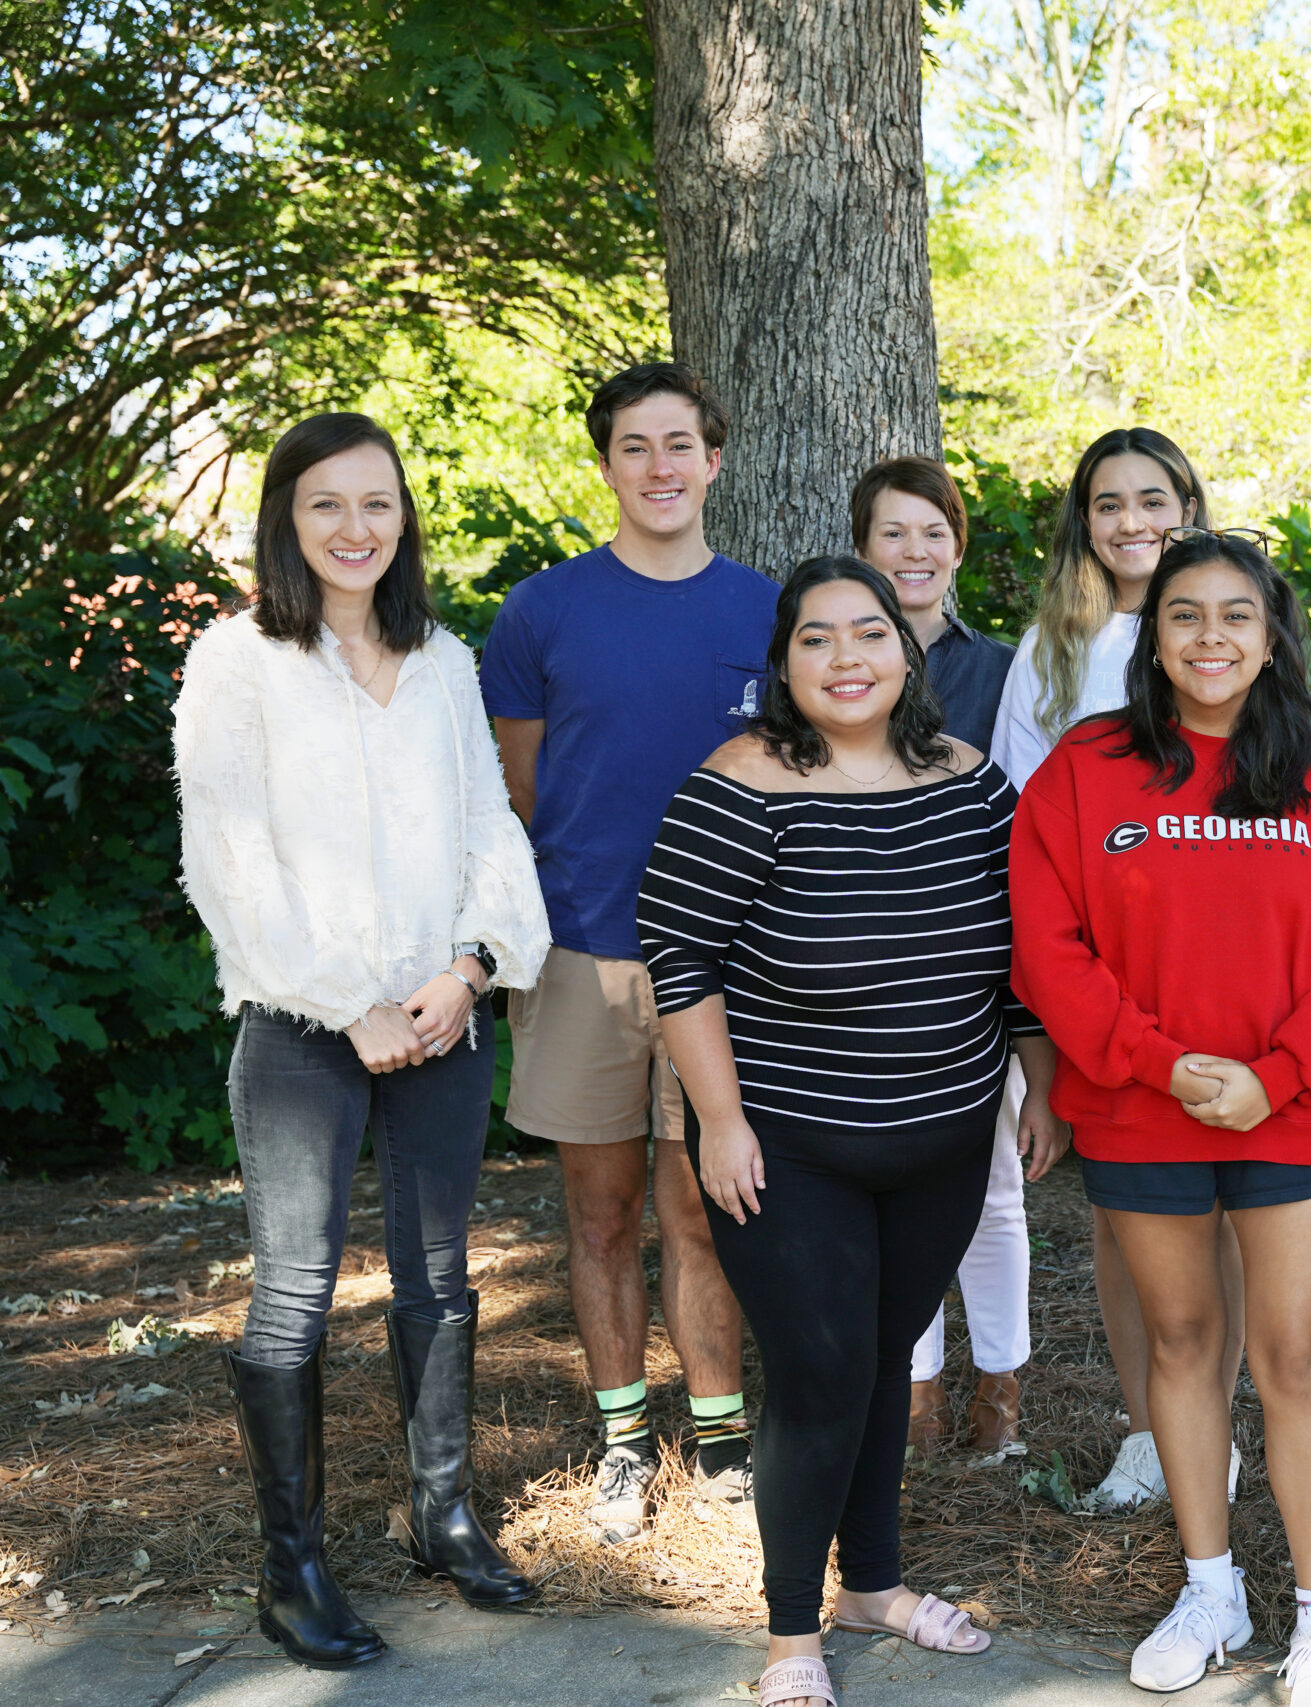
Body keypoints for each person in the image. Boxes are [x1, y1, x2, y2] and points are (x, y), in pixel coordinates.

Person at [639, 557, 1054, 1707]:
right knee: (821, 1373)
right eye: (816, 639)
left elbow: (1016, 955)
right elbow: (680, 960)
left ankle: (872, 1586)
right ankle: (789, 1637)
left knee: (879, 1359)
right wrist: (716, 1122)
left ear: (906, 653)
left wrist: (1041, 1084)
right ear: (784, 664)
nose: (845, 658)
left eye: (867, 634)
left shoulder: (972, 784)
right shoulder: (740, 784)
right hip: (791, 1143)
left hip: (943, 1137)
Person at [174, 412, 550, 1668]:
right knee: (293, 1292)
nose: (355, 528)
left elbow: (491, 826)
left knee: (441, 1278)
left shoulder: (441, 658)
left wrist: (469, 968)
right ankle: (294, 1573)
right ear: (287, 519)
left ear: (404, 517)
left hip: (442, 1021)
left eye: (377, 503)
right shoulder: (239, 661)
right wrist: (355, 1004)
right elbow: (230, 861)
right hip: (301, 1032)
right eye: (326, 504)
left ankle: (442, 1515)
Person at [1009, 532, 1311, 1706]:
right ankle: (1211, 1584)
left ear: (1272, 634)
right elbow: (1050, 947)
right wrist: (1159, 1062)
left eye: (1237, 615)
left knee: (1288, 1353)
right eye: (1186, 615)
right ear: (1152, 635)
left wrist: (1273, 1078)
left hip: (1287, 1111)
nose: (1212, 637)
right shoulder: (1086, 768)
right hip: (1144, 1108)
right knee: (1182, 1347)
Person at [481, 361, 774, 1542]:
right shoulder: (541, 611)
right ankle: (617, 1444)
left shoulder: (766, 608)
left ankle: (721, 1440)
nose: (659, 467)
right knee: (600, 1215)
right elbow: (522, 784)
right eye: (634, 447)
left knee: (704, 1210)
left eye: (680, 444)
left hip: (733, 964)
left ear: (714, 460)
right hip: (584, 951)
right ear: (605, 466)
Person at [988, 427, 1249, 1511]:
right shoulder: (1057, 646)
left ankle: (1216, 1428)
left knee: (1230, 1208)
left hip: (1225, 964)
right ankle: (1151, 1428)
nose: (1133, 522)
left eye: (1155, 499)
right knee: (1122, 1215)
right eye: (1108, 504)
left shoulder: (1231, 623)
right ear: (1081, 523)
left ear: (1189, 504)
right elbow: (1015, 817)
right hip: (1103, 978)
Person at [847, 455, 1062, 1461]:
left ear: (957, 546)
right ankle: (915, 1400)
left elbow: (1022, 807)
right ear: (863, 549)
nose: (915, 551)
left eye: (933, 531)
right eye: (894, 533)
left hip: (978, 957)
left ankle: (999, 1403)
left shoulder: (1001, 665)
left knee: (991, 1189)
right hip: (868, 964)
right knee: (896, 1191)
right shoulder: (838, 657)